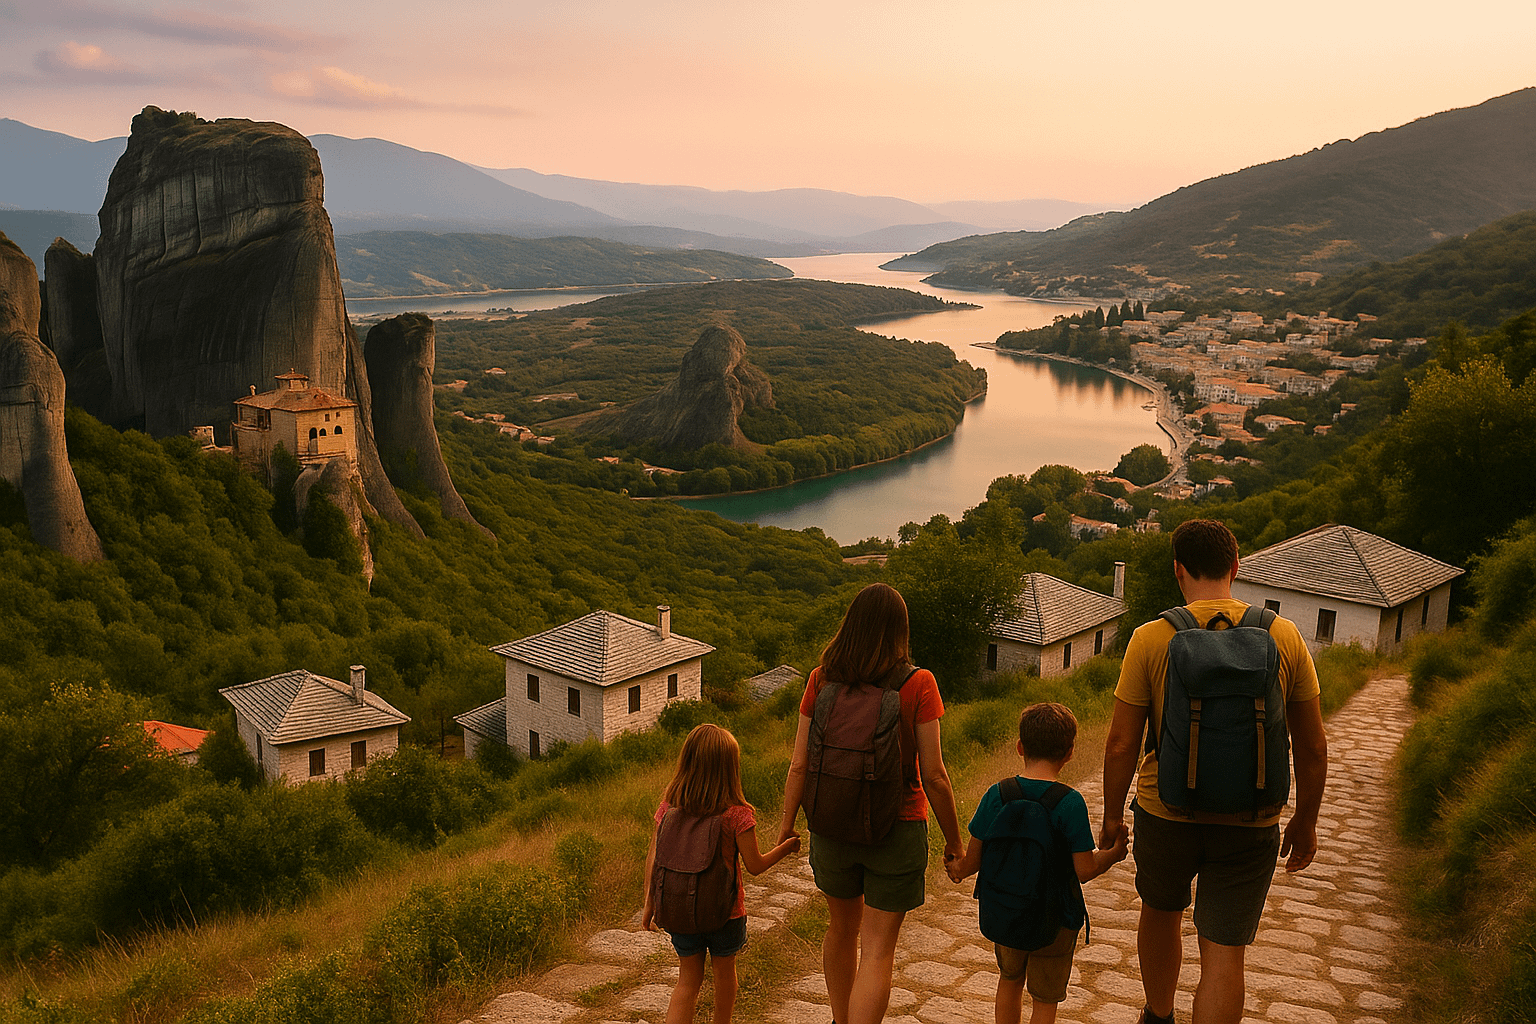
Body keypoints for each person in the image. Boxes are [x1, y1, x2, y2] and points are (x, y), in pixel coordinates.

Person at [1100, 519, 1329, 1024]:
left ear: (1177, 569)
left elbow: (1121, 744)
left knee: (1161, 913)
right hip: (1252, 816)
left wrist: (1113, 816)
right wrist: (1306, 820)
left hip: (1166, 812)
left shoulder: (1151, 637)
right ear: (1236, 564)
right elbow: (1312, 747)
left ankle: (1158, 1015)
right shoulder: (1283, 635)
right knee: (1225, 951)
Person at [779, 582, 965, 1024]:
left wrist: (786, 826)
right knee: (878, 950)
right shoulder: (919, 684)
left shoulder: (821, 679)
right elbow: (935, 775)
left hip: (832, 825)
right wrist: (956, 841)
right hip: (896, 829)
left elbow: (799, 765)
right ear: (900, 631)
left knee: (841, 932)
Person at [948, 702, 1129, 1024]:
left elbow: (971, 863)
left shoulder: (997, 794)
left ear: (1020, 746)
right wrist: (1114, 854)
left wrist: (955, 868)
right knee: (1045, 998)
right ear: (1070, 752)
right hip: (1055, 919)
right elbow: (1085, 870)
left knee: (1009, 980)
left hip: (1006, 912)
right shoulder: (1070, 802)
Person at [643, 723, 802, 1024]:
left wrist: (650, 903)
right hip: (725, 913)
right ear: (730, 767)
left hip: (679, 911)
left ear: (687, 761)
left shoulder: (669, 808)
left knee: (687, 982)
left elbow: (654, 857)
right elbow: (755, 866)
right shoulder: (737, 814)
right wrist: (786, 847)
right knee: (725, 975)